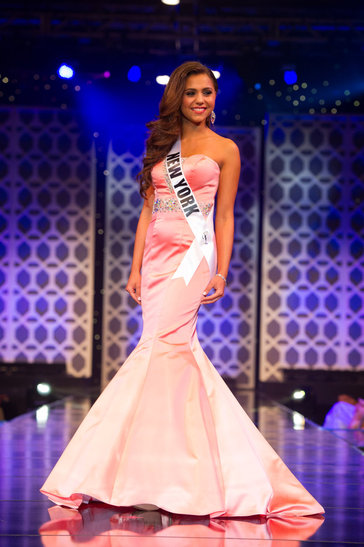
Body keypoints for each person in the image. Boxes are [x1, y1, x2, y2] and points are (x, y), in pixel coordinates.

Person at [40, 61, 324, 518]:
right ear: (179, 96)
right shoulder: (162, 148)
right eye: (191, 93)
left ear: (215, 98)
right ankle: (187, 469)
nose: (200, 100)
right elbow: (148, 214)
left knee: (159, 351)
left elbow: (226, 215)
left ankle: (114, 469)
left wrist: (221, 272)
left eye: (207, 92)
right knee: (175, 357)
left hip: (195, 259)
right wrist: (134, 268)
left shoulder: (226, 149)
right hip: (154, 263)